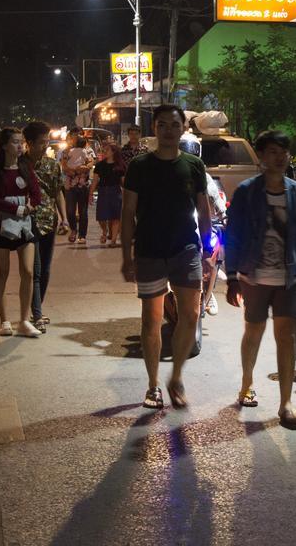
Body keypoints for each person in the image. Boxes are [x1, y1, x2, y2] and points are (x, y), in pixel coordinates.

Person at [121, 104, 211, 409]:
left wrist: (208, 248)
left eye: (175, 125)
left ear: (182, 128)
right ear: (154, 129)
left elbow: (203, 209)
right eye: (163, 125)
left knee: (191, 315)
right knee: (152, 320)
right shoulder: (139, 166)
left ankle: (176, 377)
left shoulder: (194, 165)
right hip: (149, 251)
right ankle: (152, 385)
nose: (169, 130)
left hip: (186, 248)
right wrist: (126, 255)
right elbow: (128, 212)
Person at [224, 130, 296, 430]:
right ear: (261, 157)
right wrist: (232, 277)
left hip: (288, 276)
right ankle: (247, 383)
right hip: (254, 275)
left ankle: (286, 403)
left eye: (284, 152)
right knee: (254, 331)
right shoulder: (247, 192)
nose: (280, 157)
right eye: (273, 152)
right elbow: (233, 234)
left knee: (286, 337)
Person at [0, 128, 43, 338]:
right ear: (5, 145)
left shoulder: (26, 166)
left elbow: (36, 193)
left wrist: (30, 207)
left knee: (28, 271)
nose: (20, 146)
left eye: (21, 142)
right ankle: (4, 320)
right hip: (1, 224)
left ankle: (24, 320)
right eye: (15, 142)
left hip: (25, 223)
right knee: (2, 272)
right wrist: (16, 208)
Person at [24, 121, 67, 331]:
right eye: (42, 142)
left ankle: (36, 309)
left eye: (47, 141)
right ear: (29, 143)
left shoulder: (52, 165)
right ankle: (37, 314)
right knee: (35, 270)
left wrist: (65, 218)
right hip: (27, 223)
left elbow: (58, 192)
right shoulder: (19, 165)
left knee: (46, 269)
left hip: (49, 222)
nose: (45, 145)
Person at [60, 130, 95, 244]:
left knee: (83, 211)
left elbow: (91, 163)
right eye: (73, 135)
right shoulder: (66, 151)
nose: (75, 137)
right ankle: (74, 229)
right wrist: (74, 170)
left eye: (78, 135)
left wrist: (85, 167)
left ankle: (82, 235)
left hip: (83, 184)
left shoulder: (88, 150)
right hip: (70, 185)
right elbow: (64, 166)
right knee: (70, 211)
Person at [91, 142, 123, 247]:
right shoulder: (100, 165)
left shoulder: (120, 165)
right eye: (104, 150)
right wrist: (90, 194)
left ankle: (113, 240)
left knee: (115, 217)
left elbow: (124, 181)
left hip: (115, 191)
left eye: (107, 150)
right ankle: (104, 231)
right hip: (103, 191)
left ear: (113, 152)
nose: (104, 151)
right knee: (101, 217)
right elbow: (95, 180)